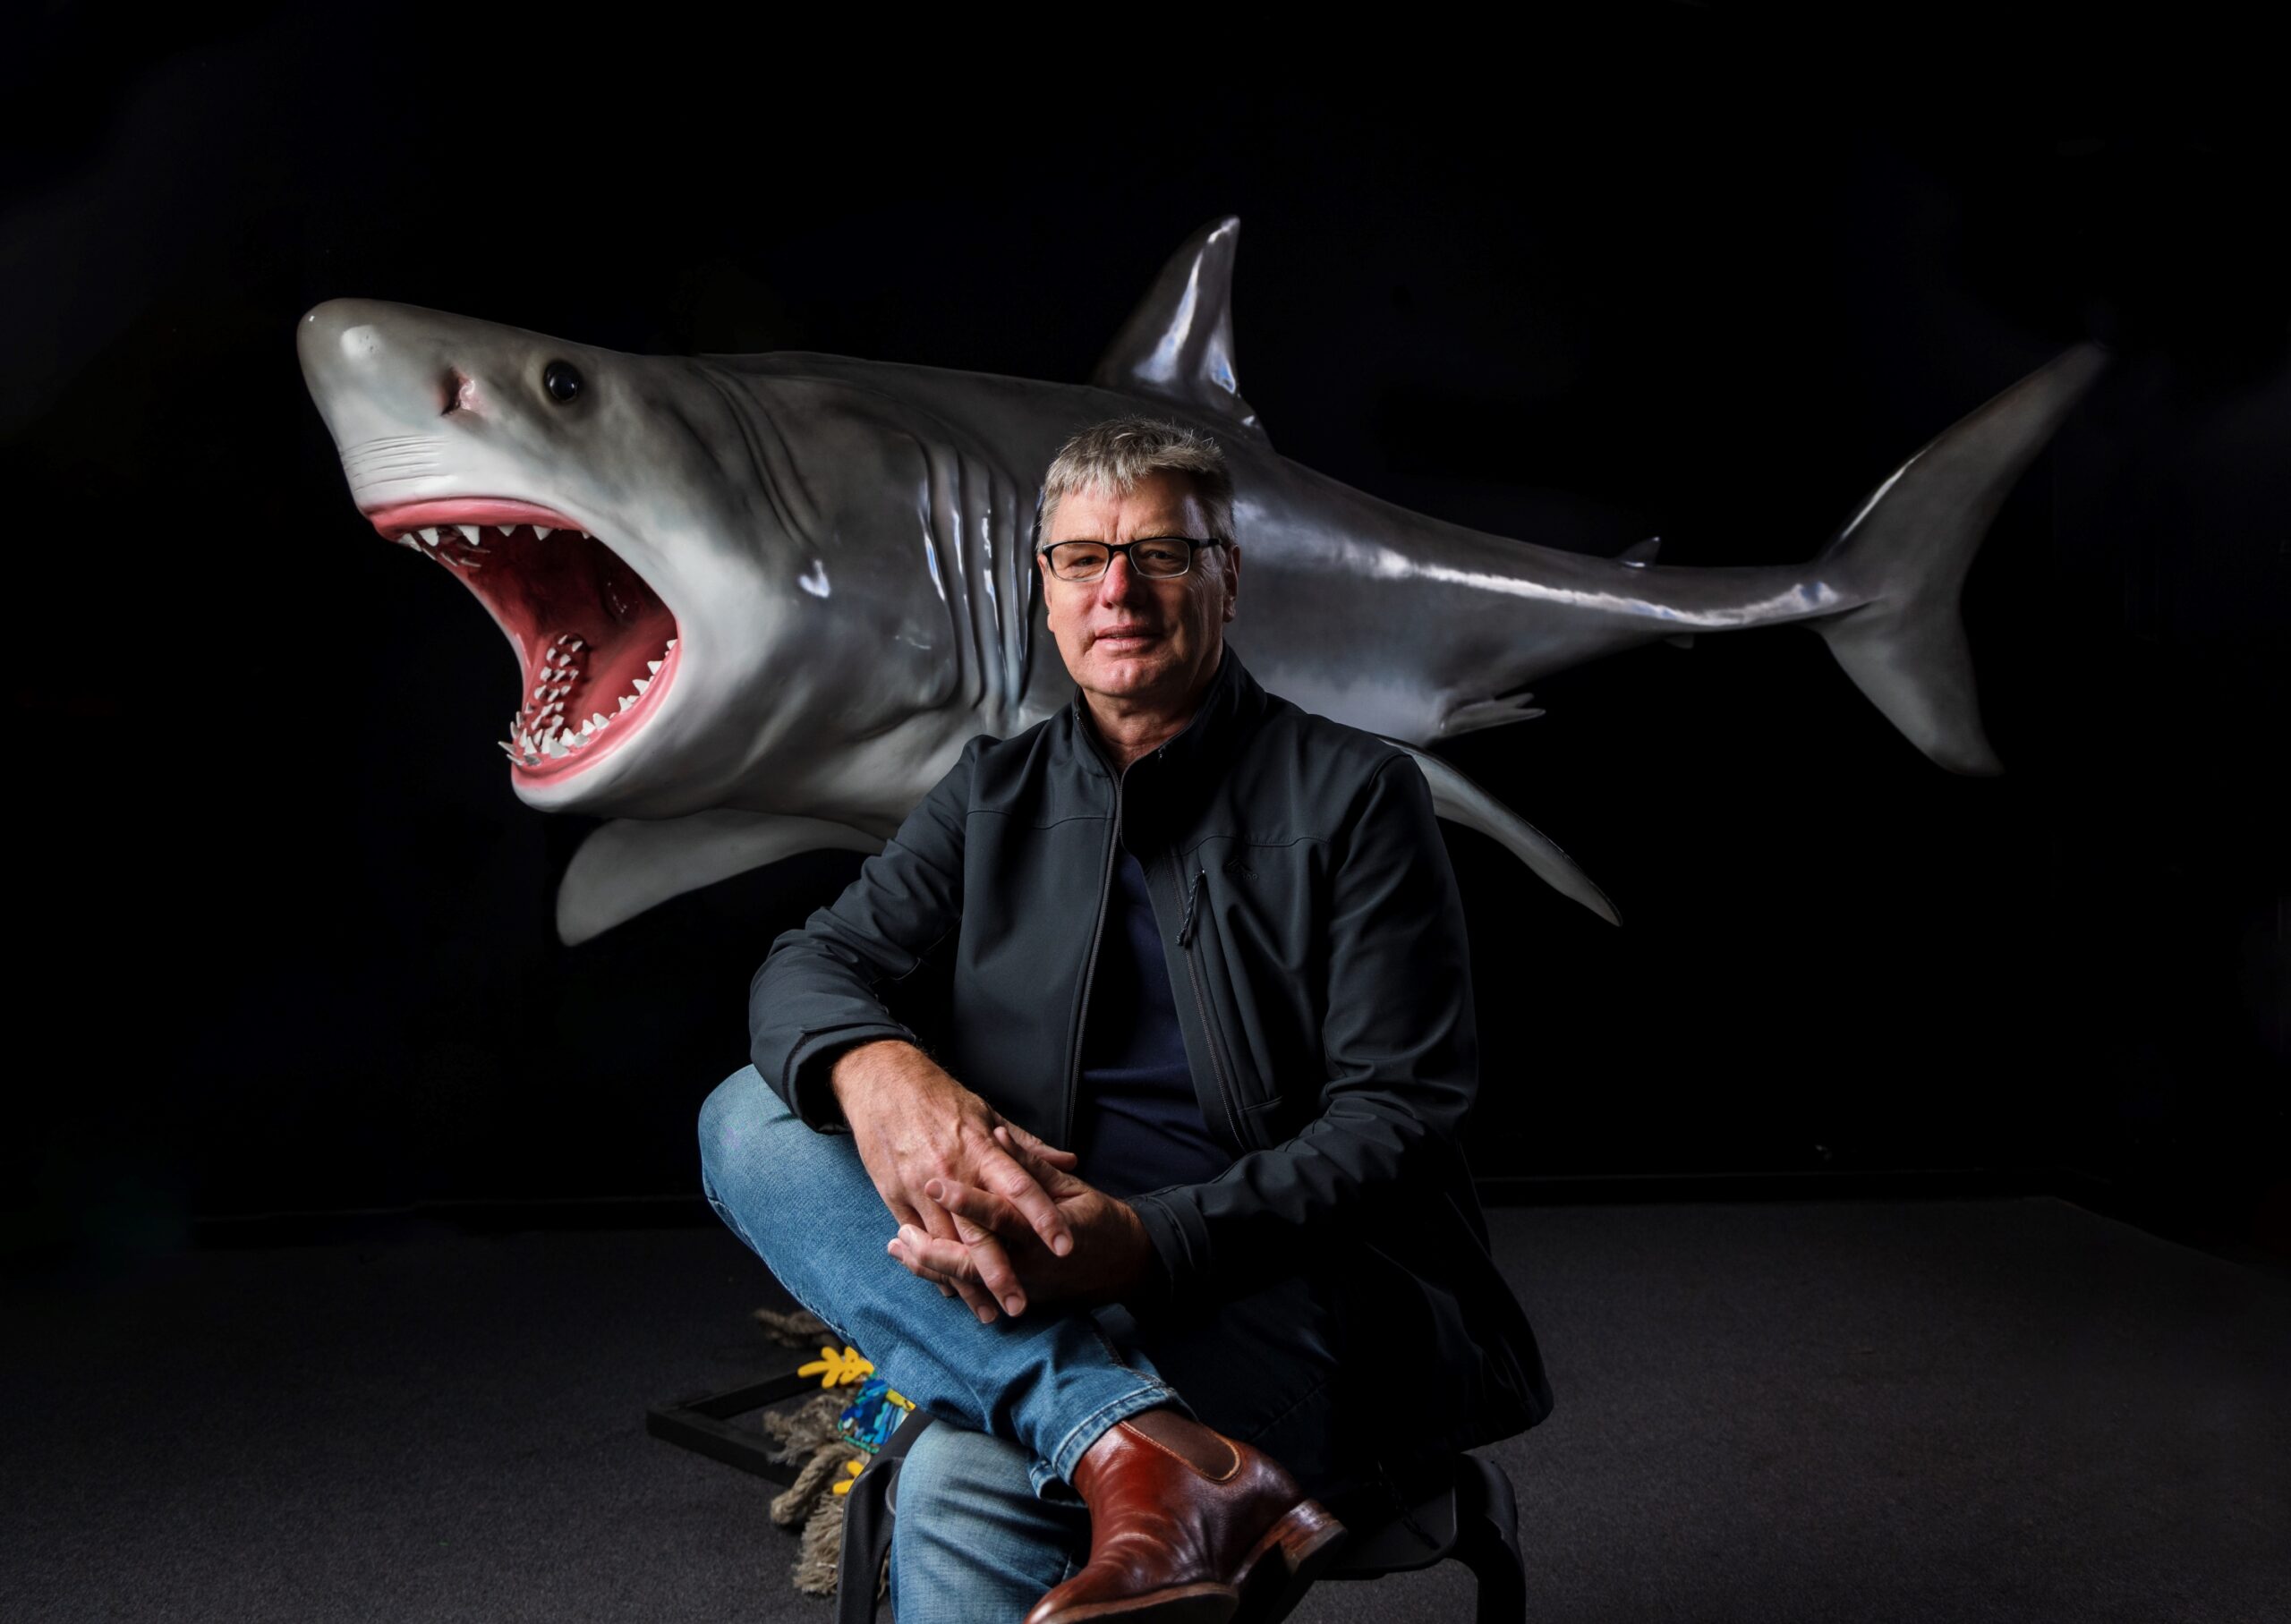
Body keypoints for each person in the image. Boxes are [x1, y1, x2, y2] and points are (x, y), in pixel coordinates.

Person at [699, 416, 1551, 1623]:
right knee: (746, 1116)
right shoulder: (993, 793)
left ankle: (1138, 1449)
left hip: (1291, 1294)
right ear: (1043, 590)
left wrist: (1149, 1245)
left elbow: (1397, 1123)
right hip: (1052, 1277)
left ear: (1226, 578)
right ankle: (1125, 1441)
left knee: (954, 1480)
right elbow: (808, 965)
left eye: (1160, 553)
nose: (1119, 591)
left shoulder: (1360, 796)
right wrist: (882, 1068)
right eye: (1081, 558)